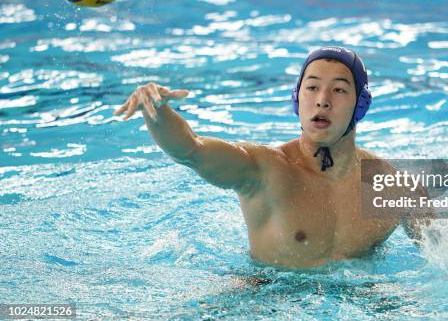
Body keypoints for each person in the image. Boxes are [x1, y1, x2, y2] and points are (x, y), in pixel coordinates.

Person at [114, 46, 430, 269]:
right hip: (266, 299)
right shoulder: (263, 170)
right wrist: (156, 112)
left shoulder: (394, 189)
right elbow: (190, 150)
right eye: (312, 88)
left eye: (338, 90)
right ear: (297, 99)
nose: (321, 101)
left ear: (360, 106)